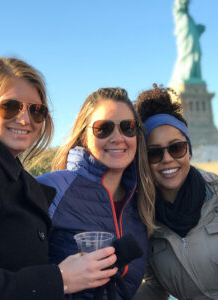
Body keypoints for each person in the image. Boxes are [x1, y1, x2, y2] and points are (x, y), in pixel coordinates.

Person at [0, 57, 118, 300]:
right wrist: (61, 279)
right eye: (10, 106)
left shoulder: (17, 178)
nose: (25, 119)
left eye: (36, 110)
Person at [135, 84, 218, 300]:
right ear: (142, 160)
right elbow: (155, 286)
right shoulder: (143, 217)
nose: (167, 159)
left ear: (189, 150)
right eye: (153, 153)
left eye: (177, 148)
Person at [37, 87, 156, 299]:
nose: (118, 138)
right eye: (104, 128)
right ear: (83, 135)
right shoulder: (52, 188)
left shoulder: (141, 202)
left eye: (128, 127)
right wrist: (60, 279)